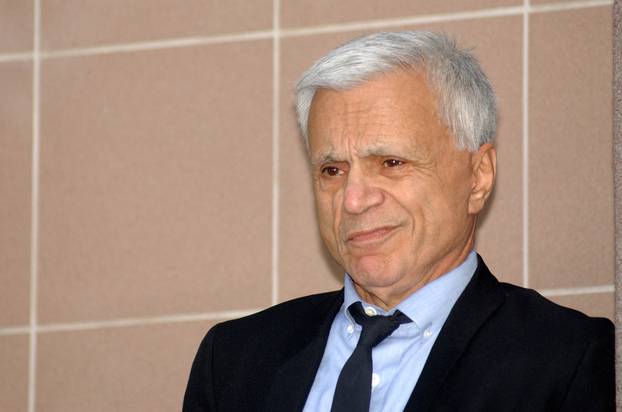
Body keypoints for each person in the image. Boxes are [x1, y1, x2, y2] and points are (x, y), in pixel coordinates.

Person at [182, 31, 614, 412]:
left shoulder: (563, 357)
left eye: (391, 162)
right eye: (332, 170)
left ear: (478, 177)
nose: (353, 200)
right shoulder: (234, 363)